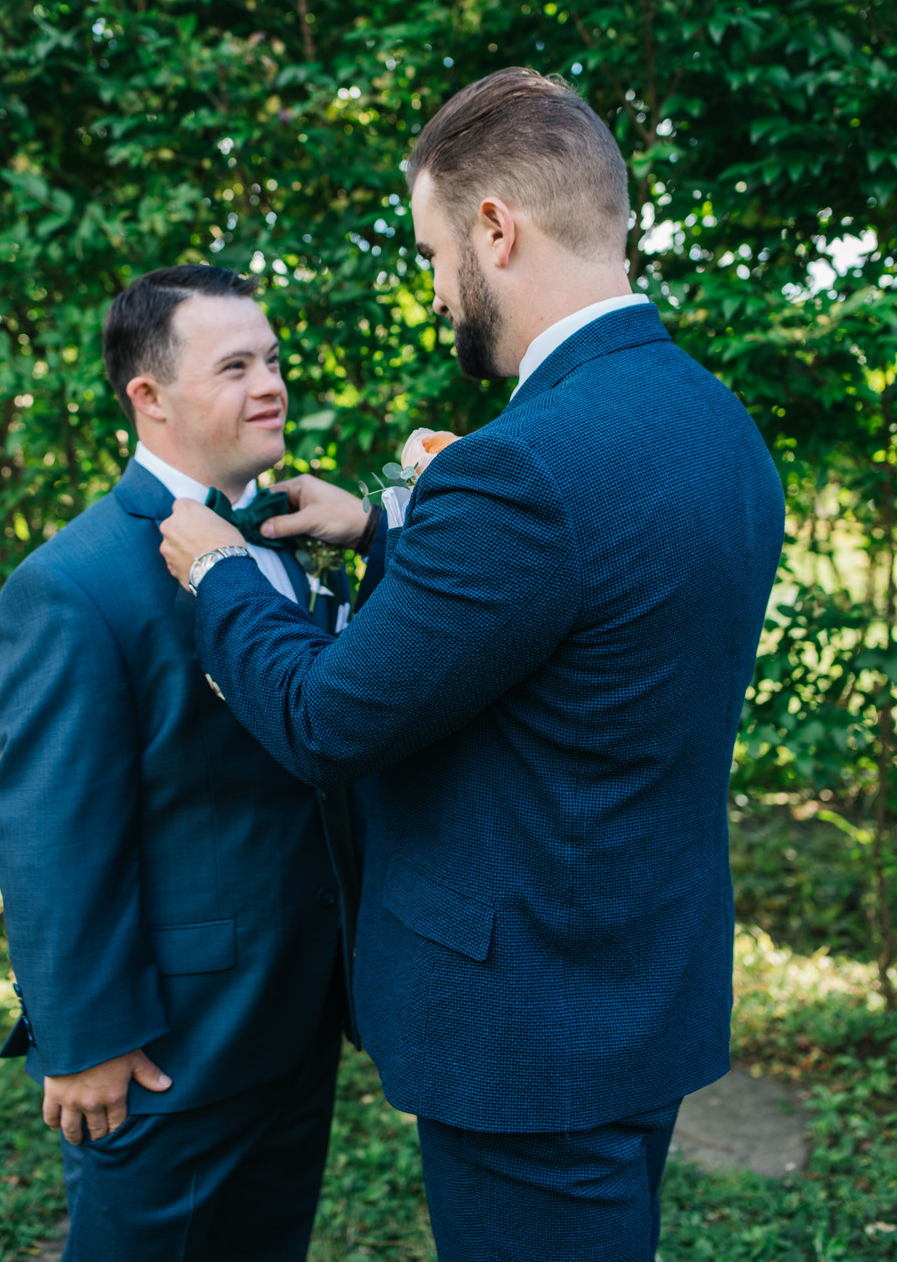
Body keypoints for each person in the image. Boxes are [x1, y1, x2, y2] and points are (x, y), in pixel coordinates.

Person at [158, 68, 786, 1262]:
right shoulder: (713, 421)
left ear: (496, 229)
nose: (439, 290)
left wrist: (222, 576)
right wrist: (383, 528)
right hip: (641, 987)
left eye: (434, 254)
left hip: (529, 1029)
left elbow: (328, 720)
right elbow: (595, 603)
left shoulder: (522, 469)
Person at [0, 264, 367, 1262]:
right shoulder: (72, 584)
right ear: (148, 397)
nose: (271, 384)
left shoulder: (291, 536)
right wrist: (86, 1040)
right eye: (235, 366)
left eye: (272, 360)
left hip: (298, 1009)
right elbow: (51, 831)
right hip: (168, 1045)